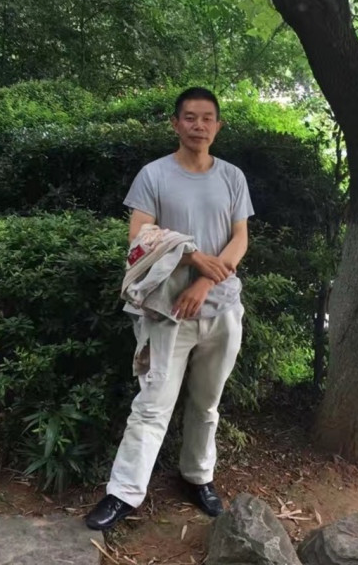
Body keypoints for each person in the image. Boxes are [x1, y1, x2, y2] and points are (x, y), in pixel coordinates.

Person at [85, 87, 254, 531]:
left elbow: (240, 238)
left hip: (222, 308)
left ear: (218, 126)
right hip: (166, 310)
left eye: (207, 118)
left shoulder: (232, 177)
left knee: (207, 403)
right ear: (176, 124)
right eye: (190, 117)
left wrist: (204, 281)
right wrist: (193, 257)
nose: (199, 126)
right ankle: (123, 493)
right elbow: (139, 238)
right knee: (152, 403)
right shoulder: (154, 175)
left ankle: (198, 477)